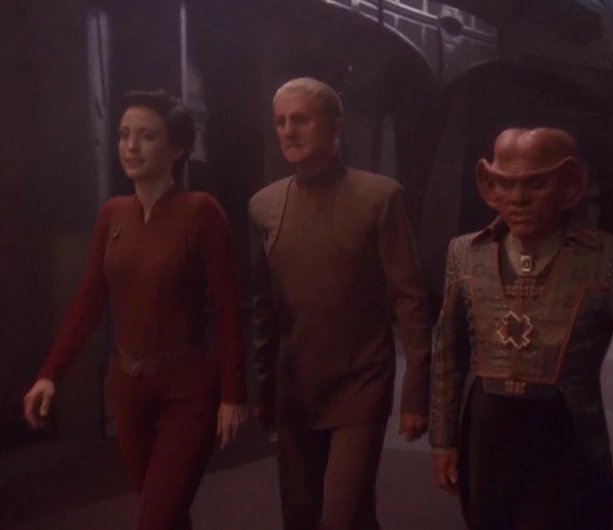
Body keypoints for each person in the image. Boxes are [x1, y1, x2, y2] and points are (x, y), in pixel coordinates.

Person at [429, 127, 613, 530]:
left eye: (535, 183)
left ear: (569, 184)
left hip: (566, 437)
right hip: (487, 436)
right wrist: (444, 439)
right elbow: (449, 352)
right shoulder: (466, 253)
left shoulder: (610, 260)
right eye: (505, 183)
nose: (517, 198)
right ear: (488, 184)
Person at [23, 90, 247, 530]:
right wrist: (50, 374)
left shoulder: (201, 211)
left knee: (155, 519)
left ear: (177, 148)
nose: (131, 146)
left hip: (187, 391)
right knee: (165, 513)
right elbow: (89, 299)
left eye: (147, 136)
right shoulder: (112, 214)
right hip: (127, 390)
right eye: (125, 134)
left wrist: (233, 394)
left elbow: (227, 307)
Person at [249, 77, 431, 530]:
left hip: (360, 381)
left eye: (301, 119)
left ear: (336, 126)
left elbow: (410, 298)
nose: (289, 131)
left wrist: (417, 392)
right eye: (280, 121)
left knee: (342, 516)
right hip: (296, 385)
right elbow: (264, 306)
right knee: (302, 514)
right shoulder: (265, 205)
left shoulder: (379, 197)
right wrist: (264, 385)